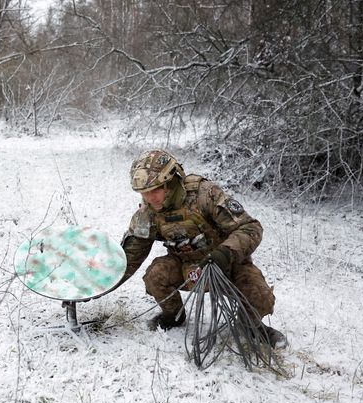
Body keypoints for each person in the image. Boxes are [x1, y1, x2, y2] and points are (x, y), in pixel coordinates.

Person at [119, 149, 287, 348]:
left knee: (260, 296)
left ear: (171, 182)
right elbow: (130, 256)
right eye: (144, 193)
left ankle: (251, 326)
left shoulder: (205, 195)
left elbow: (250, 227)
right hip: (187, 268)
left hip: (226, 264)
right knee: (156, 275)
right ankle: (174, 316)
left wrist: (224, 254)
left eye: (155, 190)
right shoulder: (148, 213)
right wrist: (95, 287)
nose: (150, 198)